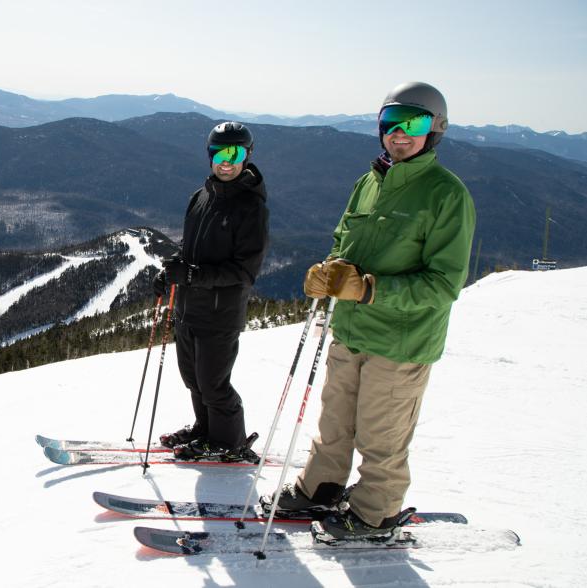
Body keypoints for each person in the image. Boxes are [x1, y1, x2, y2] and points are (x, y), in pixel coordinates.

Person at [261, 82, 476, 540]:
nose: (399, 133)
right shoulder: (370, 181)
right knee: (334, 422)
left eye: (413, 123)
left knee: (382, 435)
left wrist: (371, 289)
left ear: (435, 130)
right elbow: (344, 242)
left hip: (401, 340)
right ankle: (320, 487)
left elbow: (444, 284)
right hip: (352, 330)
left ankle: (376, 513)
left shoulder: (446, 195)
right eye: (389, 122)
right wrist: (328, 272)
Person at [152, 121, 270, 462]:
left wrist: (190, 275)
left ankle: (228, 440)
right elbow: (189, 249)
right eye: (220, 152)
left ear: (248, 156)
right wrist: (171, 271)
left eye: (236, 153)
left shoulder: (251, 208)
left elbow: (244, 272)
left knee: (214, 383)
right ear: (209, 155)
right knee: (193, 379)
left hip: (220, 313)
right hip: (189, 308)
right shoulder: (201, 197)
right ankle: (205, 431)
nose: (227, 160)